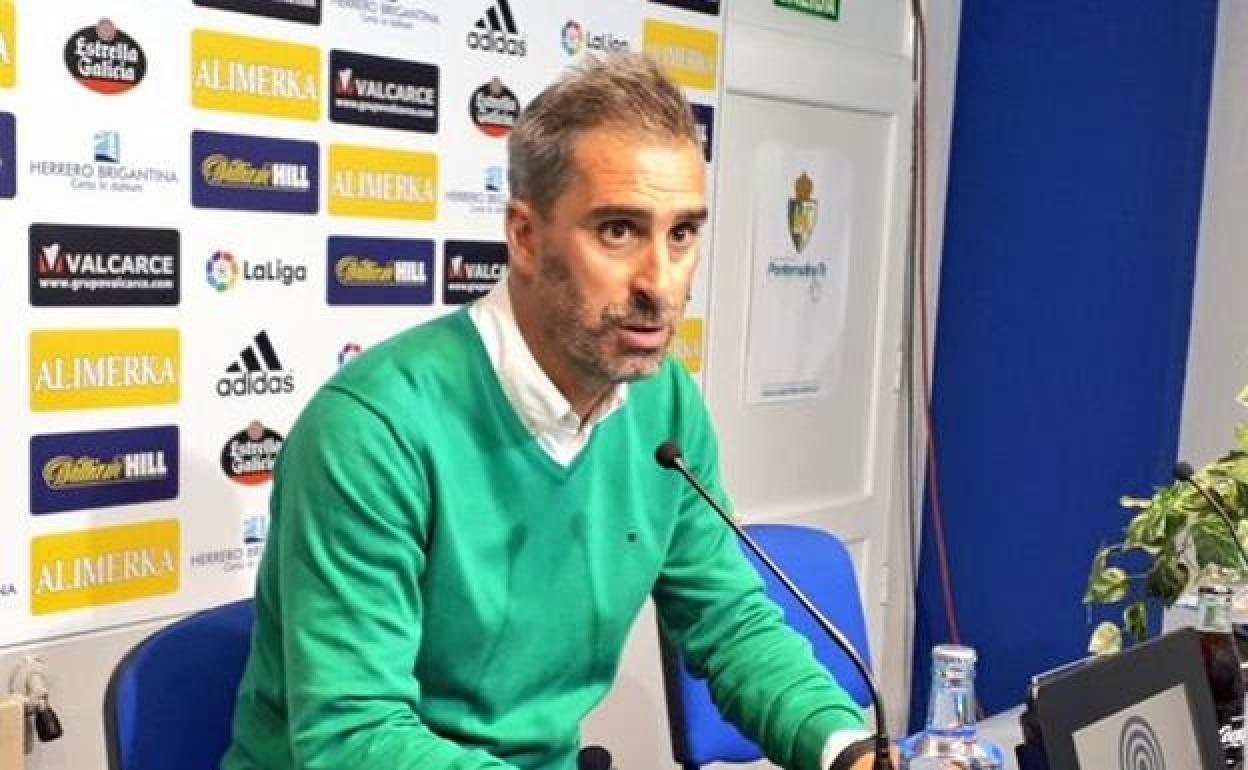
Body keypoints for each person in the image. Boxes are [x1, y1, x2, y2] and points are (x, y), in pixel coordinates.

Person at [222, 52, 886, 770]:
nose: (660, 284)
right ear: (526, 237)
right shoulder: (371, 430)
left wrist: (847, 751)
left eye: (682, 234)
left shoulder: (663, 403)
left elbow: (732, 624)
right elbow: (353, 737)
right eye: (618, 230)